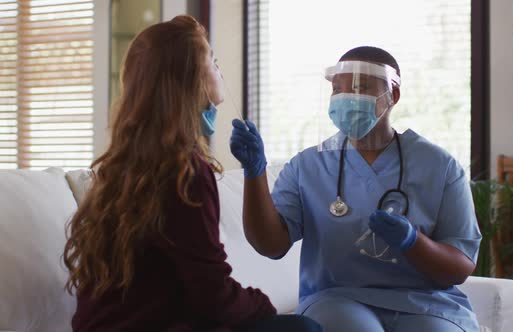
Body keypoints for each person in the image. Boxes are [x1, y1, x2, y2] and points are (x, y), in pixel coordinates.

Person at [63, 15, 322, 332]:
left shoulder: (122, 166)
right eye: (212, 60)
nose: (220, 69)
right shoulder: (184, 172)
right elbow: (212, 294)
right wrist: (262, 307)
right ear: (190, 81)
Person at [230, 46, 482, 332]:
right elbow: (270, 245)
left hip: (426, 303)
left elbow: (460, 266)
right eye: (338, 89)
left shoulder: (440, 166)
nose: (346, 97)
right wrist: (255, 172)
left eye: (360, 86)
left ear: (393, 95)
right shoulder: (308, 166)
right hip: (337, 298)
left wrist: (413, 242)